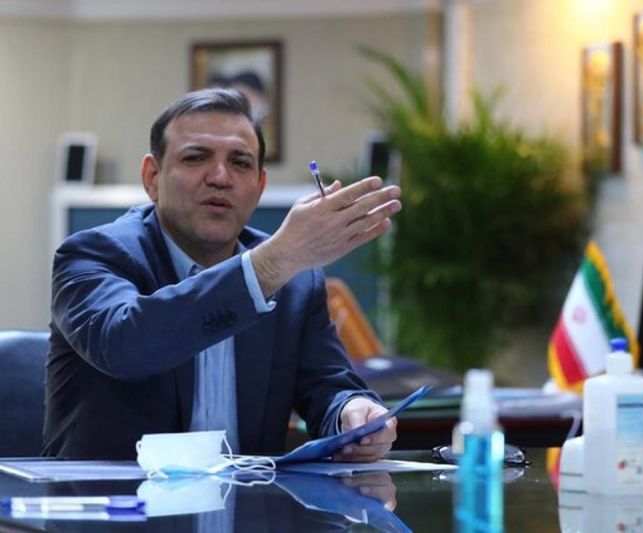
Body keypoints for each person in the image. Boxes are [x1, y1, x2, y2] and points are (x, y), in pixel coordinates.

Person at [43, 88, 402, 461]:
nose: (220, 177)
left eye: (240, 163)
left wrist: (352, 412)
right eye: (196, 158)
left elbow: (327, 387)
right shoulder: (91, 255)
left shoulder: (295, 280)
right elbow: (125, 345)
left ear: (259, 187)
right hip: (115, 497)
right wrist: (267, 267)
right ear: (152, 177)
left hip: (248, 495)